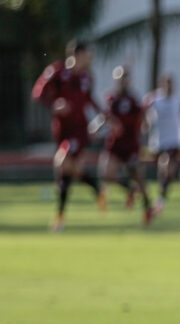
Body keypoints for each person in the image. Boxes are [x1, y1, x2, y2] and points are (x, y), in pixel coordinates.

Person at [31, 39, 106, 232]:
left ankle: (59, 218)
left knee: (61, 164)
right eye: (88, 55)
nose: (90, 59)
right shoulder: (57, 72)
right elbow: (38, 93)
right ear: (77, 55)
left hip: (79, 131)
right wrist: (54, 103)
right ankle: (97, 188)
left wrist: (103, 116)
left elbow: (89, 99)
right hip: (61, 130)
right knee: (72, 171)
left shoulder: (87, 77)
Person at [92, 66, 154, 226]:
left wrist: (146, 128)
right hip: (114, 144)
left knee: (139, 178)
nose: (122, 82)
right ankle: (129, 189)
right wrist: (95, 128)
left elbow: (144, 121)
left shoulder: (134, 101)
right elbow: (104, 117)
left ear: (129, 81)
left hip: (131, 145)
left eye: (125, 78)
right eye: (119, 78)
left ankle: (147, 207)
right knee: (105, 174)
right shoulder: (111, 99)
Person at [143, 73, 180, 212]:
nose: (169, 86)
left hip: (175, 139)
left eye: (171, 83)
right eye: (166, 83)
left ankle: (161, 199)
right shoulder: (154, 99)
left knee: (165, 164)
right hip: (158, 140)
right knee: (164, 171)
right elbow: (145, 113)